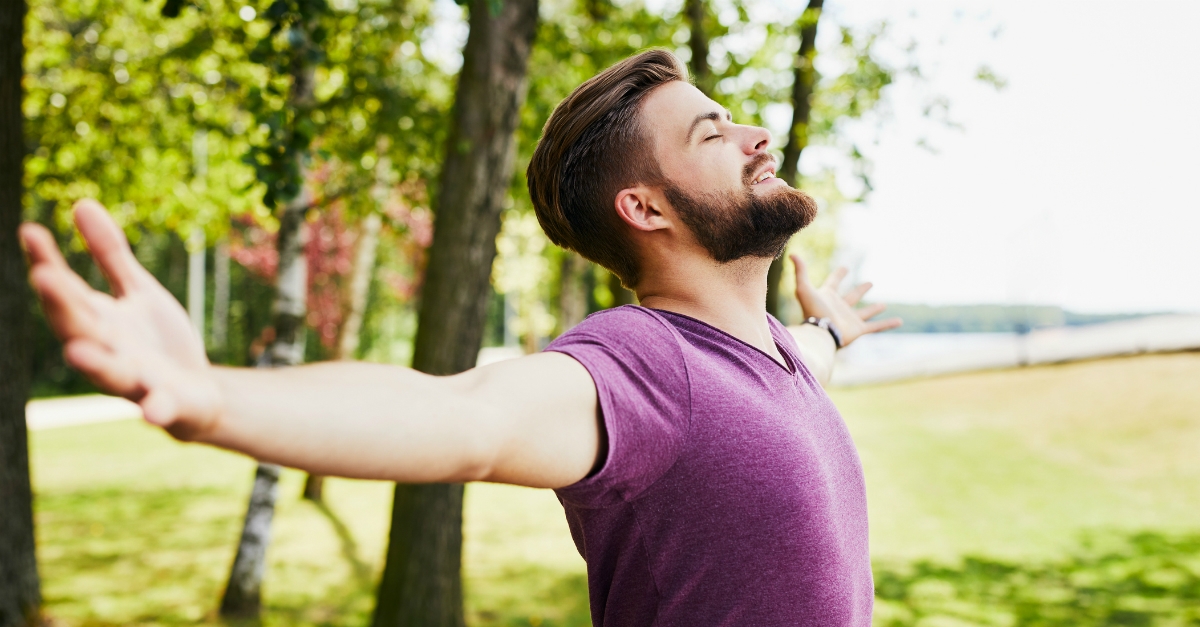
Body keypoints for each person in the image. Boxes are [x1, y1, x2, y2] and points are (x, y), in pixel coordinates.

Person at [20, 49, 900, 626]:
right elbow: (462, 417)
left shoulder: (779, 356)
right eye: (714, 132)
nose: (755, 136)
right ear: (646, 207)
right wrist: (212, 396)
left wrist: (830, 330)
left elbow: (805, 363)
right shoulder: (645, 370)